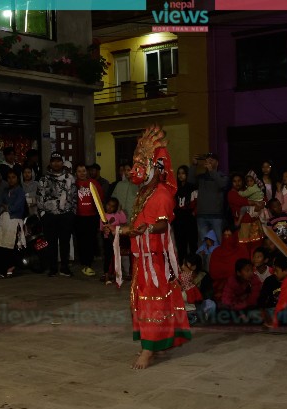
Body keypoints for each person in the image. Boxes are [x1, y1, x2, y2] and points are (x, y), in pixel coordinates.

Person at [119, 125, 191, 368]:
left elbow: (161, 225)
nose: (135, 172)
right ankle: (154, 343)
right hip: (142, 257)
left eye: (140, 167)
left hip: (155, 259)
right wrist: (118, 229)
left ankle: (148, 350)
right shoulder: (143, 194)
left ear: (152, 169)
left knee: (152, 301)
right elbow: (137, 222)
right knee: (142, 301)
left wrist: (142, 230)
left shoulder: (161, 194)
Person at [39, 153, 77, 277]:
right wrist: (43, 214)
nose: (56, 163)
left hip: (66, 215)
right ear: (50, 163)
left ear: (62, 162)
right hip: (50, 215)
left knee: (65, 242)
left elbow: (74, 196)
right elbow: (40, 197)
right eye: (54, 161)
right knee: (52, 243)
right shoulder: (44, 179)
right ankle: (53, 268)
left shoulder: (69, 178)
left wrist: (72, 213)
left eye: (59, 161)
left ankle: (65, 267)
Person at [0, 169, 29, 278]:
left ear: (17, 178)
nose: (11, 180)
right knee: (0, 244)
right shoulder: (5, 191)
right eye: (9, 178)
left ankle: (11, 266)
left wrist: (6, 207)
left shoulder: (20, 192)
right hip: (3, 220)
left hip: (14, 220)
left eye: (13, 177)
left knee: (11, 245)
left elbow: (16, 207)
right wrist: (4, 208)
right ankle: (3, 267)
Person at [189, 153, 228, 248]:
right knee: (204, 246)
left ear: (217, 163)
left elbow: (222, 184)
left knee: (218, 244)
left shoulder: (222, 176)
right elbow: (190, 181)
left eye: (212, 160)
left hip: (217, 217)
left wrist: (211, 171)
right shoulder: (201, 177)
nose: (209, 162)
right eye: (207, 160)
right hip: (202, 216)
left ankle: (217, 263)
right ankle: (205, 263)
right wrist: (194, 165)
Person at [74, 163, 106, 277]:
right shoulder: (74, 184)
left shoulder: (93, 183)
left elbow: (100, 198)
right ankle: (84, 263)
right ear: (76, 173)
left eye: (83, 171)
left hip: (92, 216)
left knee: (91, 240)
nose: (82, 173)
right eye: (79, 171)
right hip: (78, 217)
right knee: (81, 241)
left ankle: (89, 263)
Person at [173, 165, 198, 261]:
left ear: (187, 174)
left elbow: (197, 202)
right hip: (178, 219)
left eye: (183, 173)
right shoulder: (175, 188)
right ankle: (181, 267)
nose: (180, 175)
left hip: (189, 218)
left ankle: (193, 266)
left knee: (192, 244)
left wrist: (194, 213)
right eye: (179, 173)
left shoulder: (192, 187)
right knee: (180, 244)